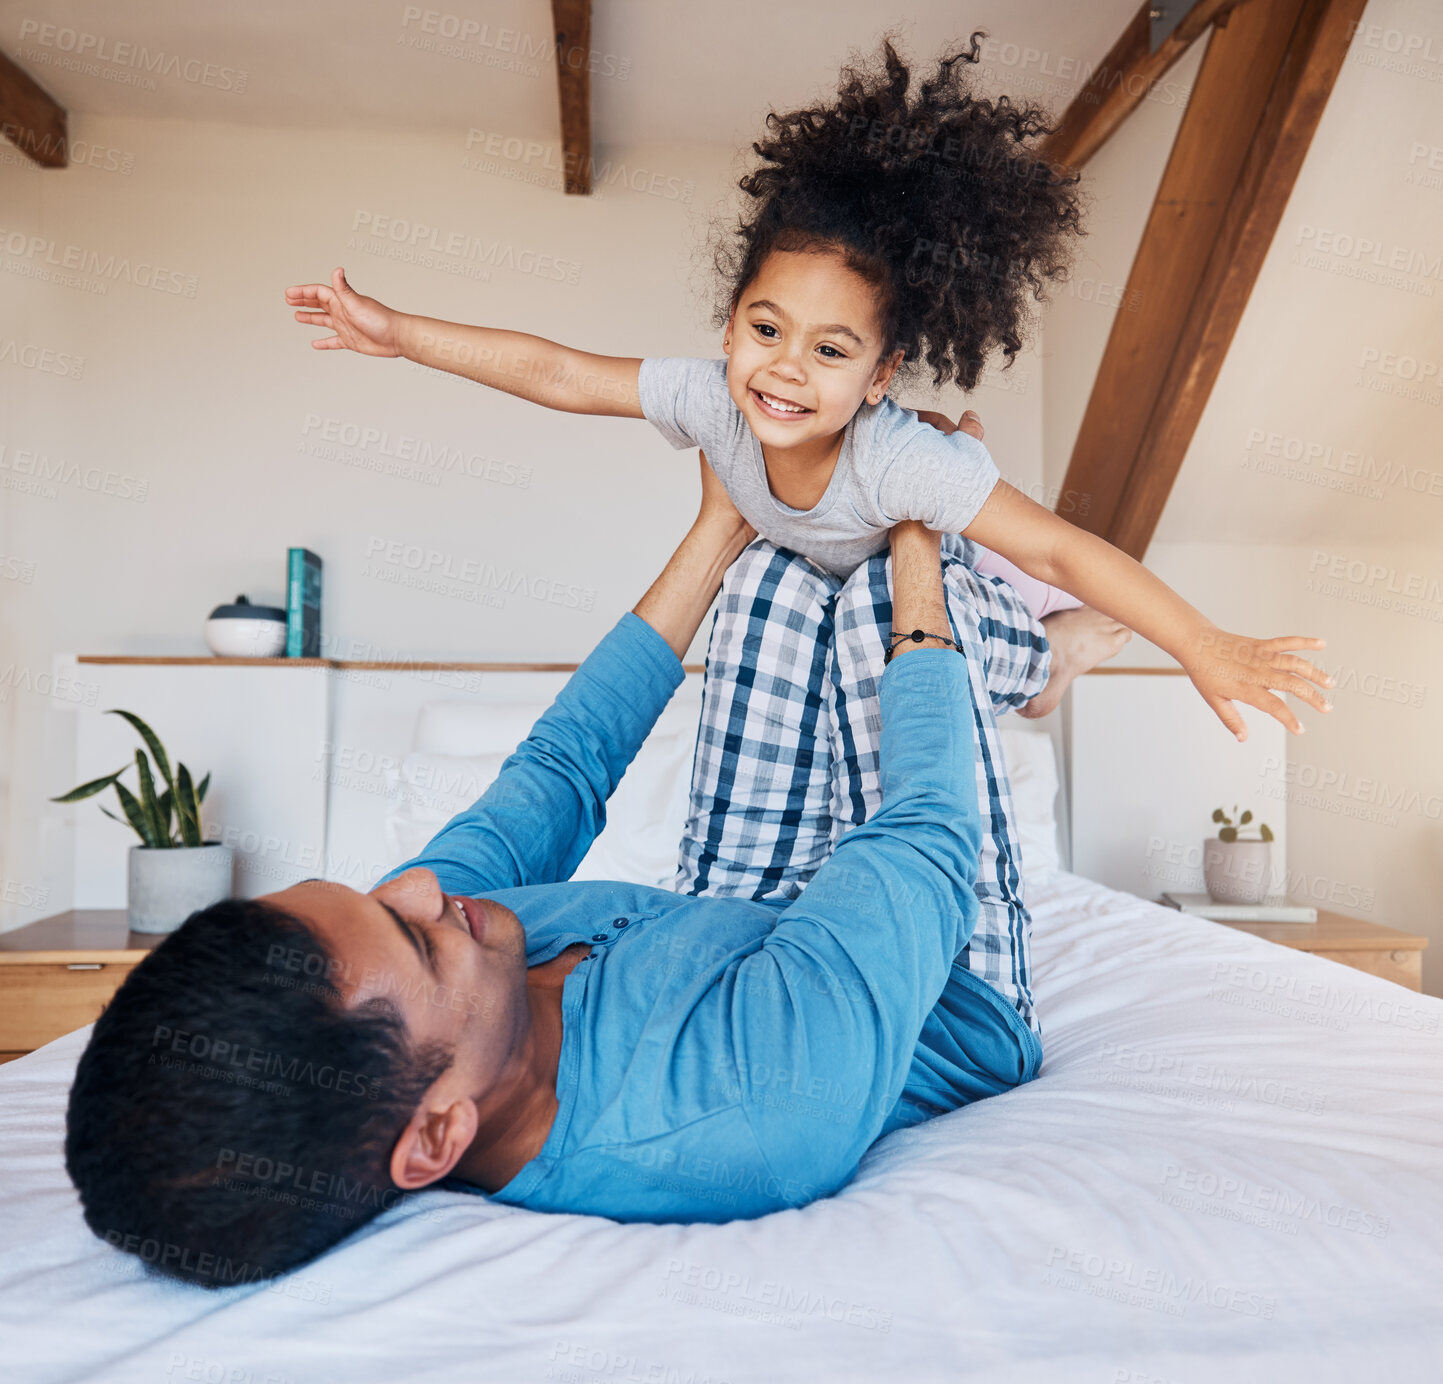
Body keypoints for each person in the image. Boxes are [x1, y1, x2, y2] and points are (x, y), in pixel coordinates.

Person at [66, 457, 1078, 1289]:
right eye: (417, 936)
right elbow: (927, 837)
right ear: (437, 1134)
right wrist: (916, 526)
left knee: (766, 580)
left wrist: (719, 521)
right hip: (951, 986)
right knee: (870, 607)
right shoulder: (747, 1107)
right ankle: (1044, 662)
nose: (423, 890)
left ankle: (1001, 641)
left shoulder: (436, 967)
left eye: (382, 896)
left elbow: (561, 768)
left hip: (746, 926)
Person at [284, 36, 1333, 742]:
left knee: (992, 643)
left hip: (936, 544)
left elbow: (1058, 544)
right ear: (729, 322)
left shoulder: (895, 456)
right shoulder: (710, 399)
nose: (784, 367)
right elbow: (559, 372)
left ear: (880, 378)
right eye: (766, 328)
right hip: (825, 567)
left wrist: (1203, 643)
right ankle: (1010, 556)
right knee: (797, 612)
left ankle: (1059, 651)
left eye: (831, 353)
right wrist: (397, 334)